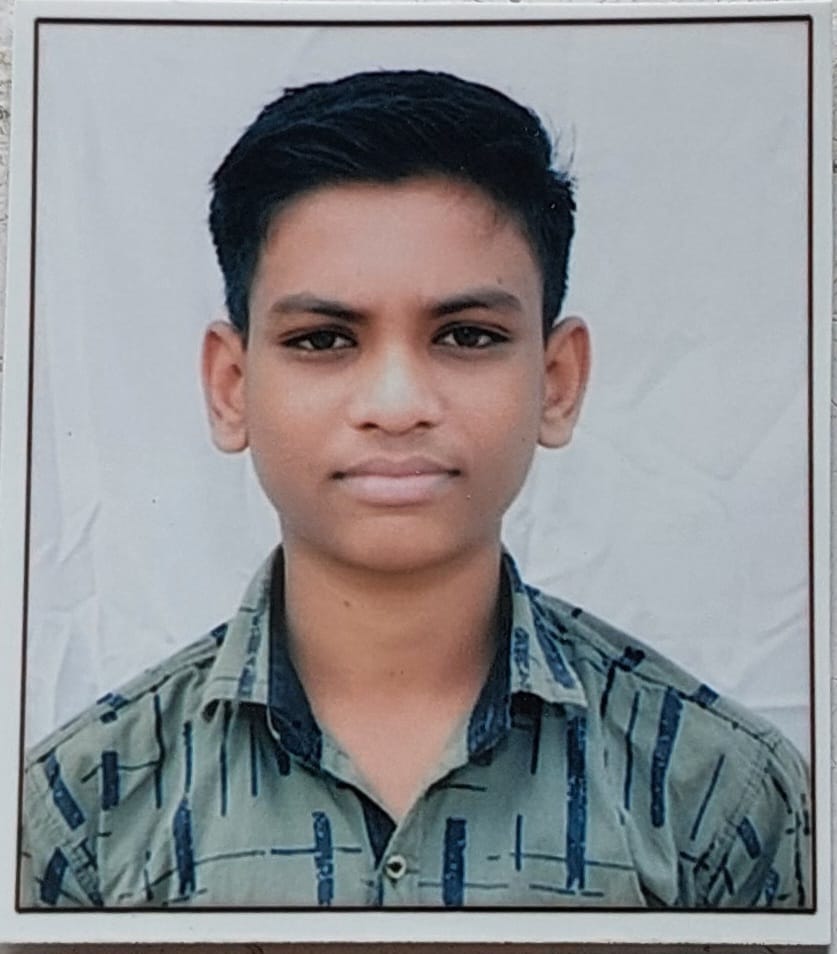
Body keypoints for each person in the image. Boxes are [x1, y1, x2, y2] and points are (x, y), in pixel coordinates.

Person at [20, 69, 810, 910]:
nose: (396, 405)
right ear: (230, 386)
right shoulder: (81, 812)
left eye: (466, 335)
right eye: (323, 339)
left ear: (556, 381)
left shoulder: (721, 798)